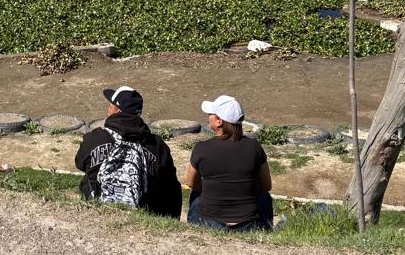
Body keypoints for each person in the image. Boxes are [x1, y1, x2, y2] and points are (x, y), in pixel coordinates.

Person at [73, 86, 181, 219]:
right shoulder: (157, 146)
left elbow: (79, 163)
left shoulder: (95, 138)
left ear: (117, 111)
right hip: (142, 217)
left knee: (87, 180)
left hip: (98, 214)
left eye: (110, 105)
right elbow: (172, 188)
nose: (108, 108)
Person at [186, 94, 273, 231]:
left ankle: (195, 228)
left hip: (211, 221)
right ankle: (265, 228)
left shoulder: (202, 148)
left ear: (219, 121)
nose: (208, 116)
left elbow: (191, 183)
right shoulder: (254, 147)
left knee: (196, 194)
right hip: (249, 222)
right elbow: (266, 186)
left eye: (211, 114)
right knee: (265, 197)